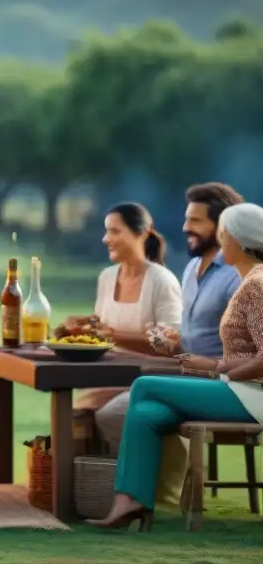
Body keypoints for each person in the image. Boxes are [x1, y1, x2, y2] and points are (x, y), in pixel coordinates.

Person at [88, 201, 263, 531]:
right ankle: (130, 502)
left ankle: (135, 496)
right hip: (237, 388)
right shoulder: (249, 281)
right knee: (146, 413)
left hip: (251, 396)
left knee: (145, 386)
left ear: (239, 241)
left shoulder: (256, 285)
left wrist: (216, 369)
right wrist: (205, 360)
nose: (219, 239)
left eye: (223, 234)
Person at [96, 184, 245, 447]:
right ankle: (138, 490)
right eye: (187, 219)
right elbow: (186, 338)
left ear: (222, 226)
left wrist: (212, 365)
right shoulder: (191, 269)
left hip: (217, 384)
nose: (186, 227)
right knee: (121, 414)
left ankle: (160, 486)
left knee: (137, 394)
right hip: (184, 374)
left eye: (196, 221)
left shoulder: (238, 276)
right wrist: (168, 339)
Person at [71, 203, 183, 497]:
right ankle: (92, 490)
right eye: (106, 231)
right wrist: (81, 326)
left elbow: (170, 340)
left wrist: (115, 334)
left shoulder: (162, 280)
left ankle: (141, 487)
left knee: (109, 414)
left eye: (114, 231)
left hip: (151, 377)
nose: (106, 238)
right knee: (72, 415)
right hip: (110, 375)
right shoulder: (107, 277)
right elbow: (101, 324)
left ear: (142, 234)